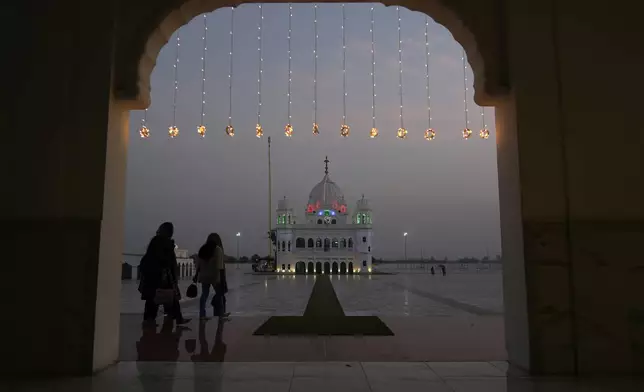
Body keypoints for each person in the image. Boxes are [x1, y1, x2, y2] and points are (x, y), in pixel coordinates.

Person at [138, 222, 190, 326]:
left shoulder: (154, 241)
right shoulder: (167, 243)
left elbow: (148, 258)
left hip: (151, 277)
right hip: (163, 277)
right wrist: (174, 277)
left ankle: (148, 321)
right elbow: (169, 262)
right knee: (171, 298)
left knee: (152, 300)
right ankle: (176, 319)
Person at [194, 238, 218, 320]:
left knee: (204, 295)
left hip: (203, 277)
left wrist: (196, 275)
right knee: (219, 293)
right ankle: (219, 312)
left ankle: (202, 314)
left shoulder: (202, 252)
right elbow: (216, 266)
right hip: (212, 276)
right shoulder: (213, 253)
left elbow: (198, 267)